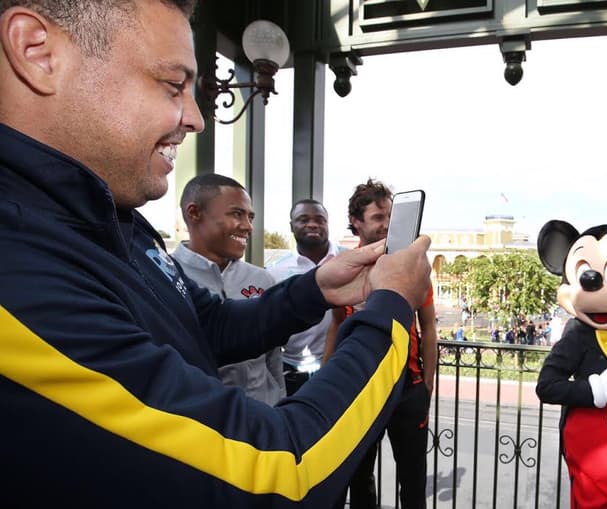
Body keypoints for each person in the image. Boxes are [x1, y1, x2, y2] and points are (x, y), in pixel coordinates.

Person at [0, 2, 432, 507]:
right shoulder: (19, 268)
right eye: (171, 84)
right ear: (37, 52)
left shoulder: (120, 225)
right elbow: (282, 470)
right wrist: (390, 307)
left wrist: (318, 287)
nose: (196, 118)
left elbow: (211, 327)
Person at [324, 179, 438, 509]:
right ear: (356, 222)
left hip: (408, 389)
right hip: (359, 391)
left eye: (390, 216)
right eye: (377, 217)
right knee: (359, 476)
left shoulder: (412, 268)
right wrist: (326, 376)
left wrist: (427, 385)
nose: (387, 224)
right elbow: (336, 324)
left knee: (413, 480)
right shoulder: (343, 269)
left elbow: (429, 328)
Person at [172, 173, 285, 405]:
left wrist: (279, 406)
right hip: (200, 423)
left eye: (250, 216)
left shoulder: (262, 279)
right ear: (194, 213)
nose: (248, 226)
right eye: (237, 214)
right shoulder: (166, 278)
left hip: (263, 420)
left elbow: (273, 357)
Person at [267, 198, 342, 394]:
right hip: (290, 374)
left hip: (339, 369)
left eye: (320, 219)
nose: (313, 224)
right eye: (303, 219)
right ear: (292, 226)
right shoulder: (275, 272)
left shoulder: (348, 262)